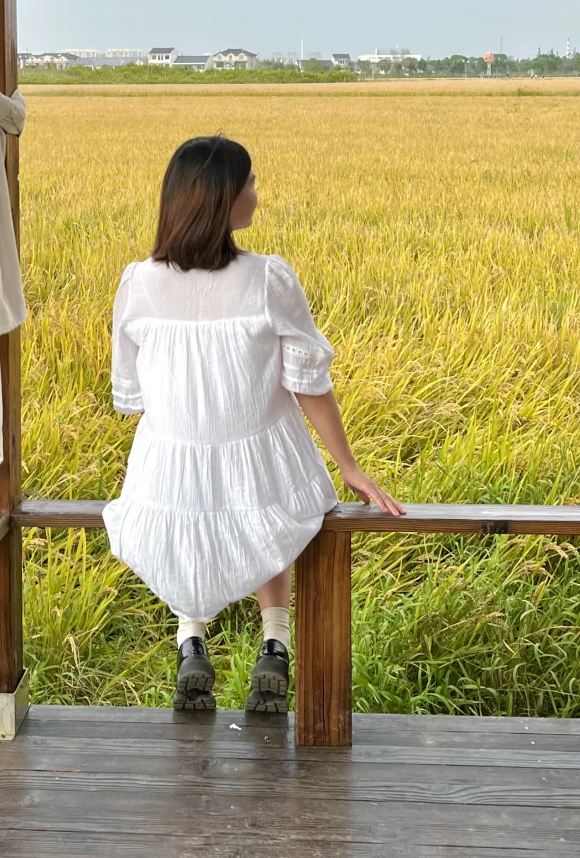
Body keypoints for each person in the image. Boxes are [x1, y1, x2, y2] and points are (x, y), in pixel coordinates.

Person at [105, 135, 404, 714]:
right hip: (264, 451)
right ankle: (275, 642)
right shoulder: (268, 278)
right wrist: (348, 467)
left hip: (169, 459)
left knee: (191, 519)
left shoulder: (137, 283)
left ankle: (191, 640)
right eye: (249, 185)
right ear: (219, 200)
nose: (256, 195)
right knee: (267, 518)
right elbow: (309, 381)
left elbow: (133, 393)